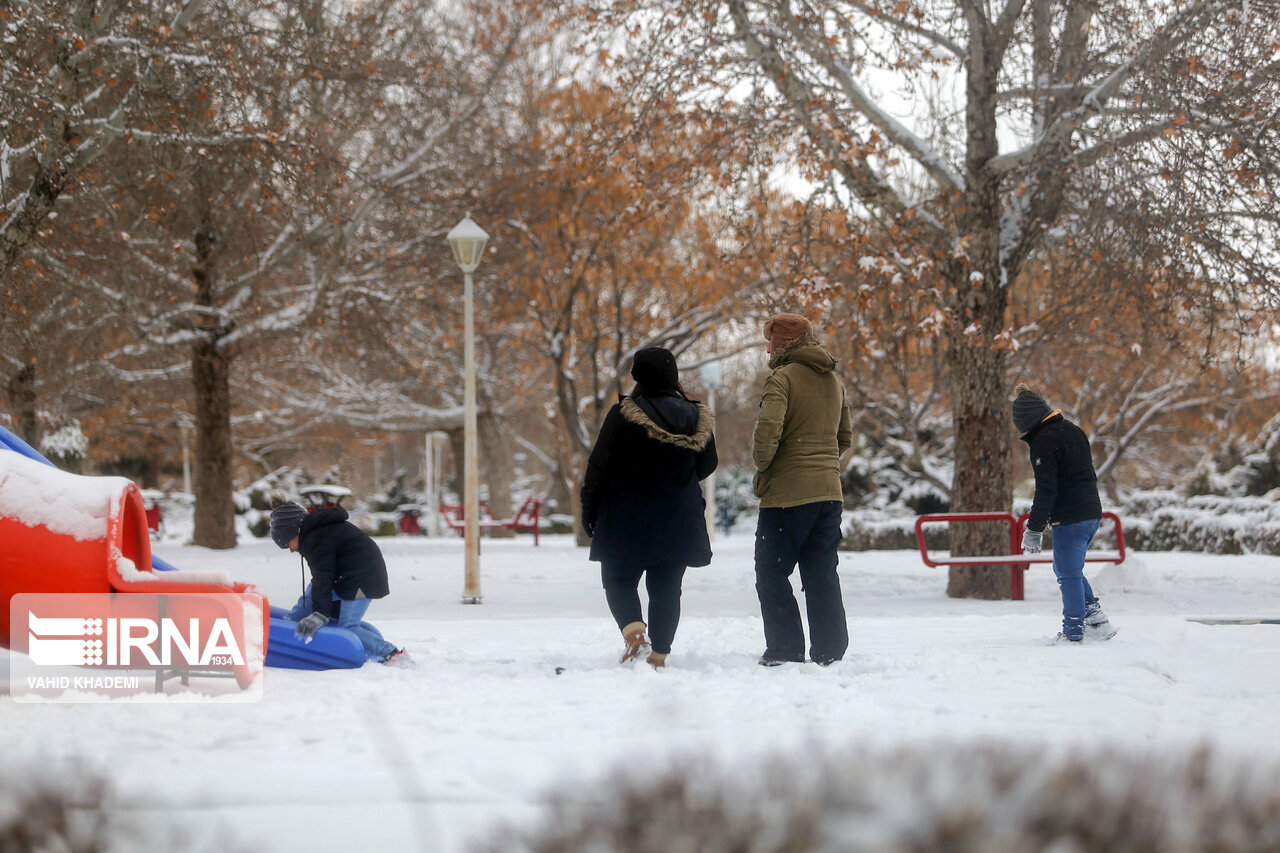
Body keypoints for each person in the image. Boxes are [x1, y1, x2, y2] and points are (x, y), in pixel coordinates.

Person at [580, 347, 718, 669]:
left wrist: (589, 508)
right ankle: (659, 656)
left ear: (637, 376)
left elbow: (598, 465)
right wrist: (678, 479)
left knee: (617, 579)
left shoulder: (623, 414)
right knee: (667, 587)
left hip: (625, 515)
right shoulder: (697, 417)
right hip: (677, 517)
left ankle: (635, 635)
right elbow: (708, 463)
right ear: (674, 376)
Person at [751, 313, 852, 666]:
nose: (767, 348)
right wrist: (822, 464)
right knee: (821, 570)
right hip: (829, 492)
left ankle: (784, 649)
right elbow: (845, 437)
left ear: (782, 343)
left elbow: (767, 436)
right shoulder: (833, 380)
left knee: (771, 570)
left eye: (770, 340)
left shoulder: (781, 379)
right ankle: (830, 650)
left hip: (787, 496)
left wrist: (765, 466)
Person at [1011, 383, 1117, 643]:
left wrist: (1034, 529)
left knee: (1068, 573)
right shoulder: (1073, 430)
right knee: (1068, 568)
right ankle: (1097, 620)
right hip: (1091, 511)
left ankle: (1073, 633)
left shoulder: (1044, 441)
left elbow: (1047, 489)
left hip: (1070, 516)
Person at [268, 492, 411, 665]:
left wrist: (320, 614)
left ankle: (392, 653)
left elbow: (323, 577)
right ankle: (287, 625)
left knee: (348, 627)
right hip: (346, 575)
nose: (290, 549)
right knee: (310, 596)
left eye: (286, 544)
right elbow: (321, 580)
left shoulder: (316, 538)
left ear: (293, 531)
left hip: (363, 578)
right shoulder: (315, 534)